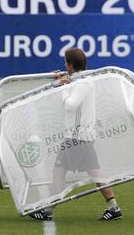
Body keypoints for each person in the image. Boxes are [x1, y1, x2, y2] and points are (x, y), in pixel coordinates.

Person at [28, 48, 122, 221]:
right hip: (77, 137)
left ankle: (48, 210)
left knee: (71, 172)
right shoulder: (79, 81)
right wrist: (62, 82)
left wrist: (63, 87)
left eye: (66, 63)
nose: (64, 65)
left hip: (78, 138)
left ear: (71, 65)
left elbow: (70, 105)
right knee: (81, 172)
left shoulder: (84, 83)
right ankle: (113, 206)